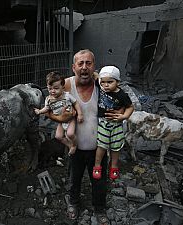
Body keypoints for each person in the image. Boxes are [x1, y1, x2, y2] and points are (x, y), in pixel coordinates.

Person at [47, 49, 121, 223]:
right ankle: (73, 203)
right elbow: (51, 108)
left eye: (88, 63)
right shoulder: (65, 86)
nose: (84, 67)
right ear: (73, 67)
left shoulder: (102, 86)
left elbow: (120, 94)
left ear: (94, 67)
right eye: (80, 64)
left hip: (99, 148)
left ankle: (100, 209)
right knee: (74, 179)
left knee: (99, 181)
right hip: (74, 147)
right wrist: (62, 119)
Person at [92, 66, 134, 181]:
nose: (106, 85)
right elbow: (95, 75)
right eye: (103, 82)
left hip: (116, 124)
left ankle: (114, 166)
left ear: (118, 82)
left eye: (110, 82)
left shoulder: (122, 95)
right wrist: (96, 74)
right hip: (103, 123)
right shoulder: (100, 87)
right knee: (101, 145)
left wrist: (124, 116)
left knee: (116, 147)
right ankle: (97, 166)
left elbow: (130, 107)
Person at [34, 71, 84, 154]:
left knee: (70, 134)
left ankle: (75, 145)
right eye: (50, 88)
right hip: (61, 121)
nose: (53, 91)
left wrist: (80, 114)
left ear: (63, 87)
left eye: (56, 88)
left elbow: (76, 103)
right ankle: (70, 145)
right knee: (58, 136)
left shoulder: (67, 96)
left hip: (70, 119)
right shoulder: (49, 99)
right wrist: (39, 111)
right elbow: (46, 108)